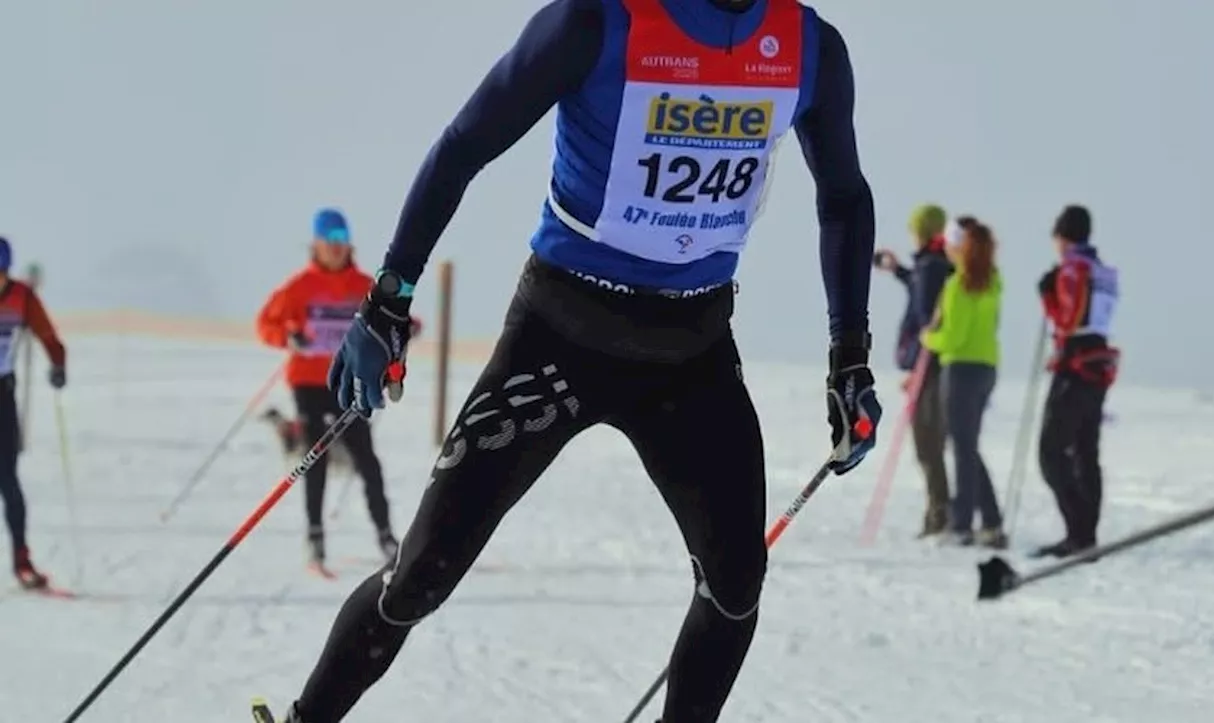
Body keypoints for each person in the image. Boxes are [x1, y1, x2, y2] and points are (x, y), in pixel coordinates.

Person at [261, 1, 882, 721]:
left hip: (691, 352)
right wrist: (388, 298)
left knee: (737, 582)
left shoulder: (809, 48)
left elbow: (844, 195)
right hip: (559, 338)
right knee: (419, 578)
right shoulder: (596, 21)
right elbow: (465, 143)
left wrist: (851, 359)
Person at [255, 209, 417, 576]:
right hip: (309, 382)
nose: (336, 250)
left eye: (342, 243)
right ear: (316, 245)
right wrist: (289, 337)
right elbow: (266, 324)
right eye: (329, 243)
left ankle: (386, 536)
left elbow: (393, 315)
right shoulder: (299, 287)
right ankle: (315, 539)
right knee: (316, 458)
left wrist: (407, 327)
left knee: (367, 460)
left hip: (349, 381)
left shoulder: (364, 284)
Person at [1032, 204, 1119, 558]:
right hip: (1100, 364)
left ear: (1061, 237)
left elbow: (1066, 321)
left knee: (1051, 453)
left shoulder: (1072, 269)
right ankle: (1087, 534)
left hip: (1074, 364)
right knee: (1086, 451)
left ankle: (1078, 534)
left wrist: (1048, 294)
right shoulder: (1104, 271)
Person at [920, 218, 1005, 548]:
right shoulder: (994, 282)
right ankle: (991, 519)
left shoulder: (957, 286)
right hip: (986, 367)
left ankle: (963, 523)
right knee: (967, 445)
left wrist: (929, 337)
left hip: (960, 370)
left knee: (962, 446)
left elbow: (953, 338)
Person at [872, 203, 953, 536]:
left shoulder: (932, 267)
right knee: (930, 443)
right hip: (931, 363)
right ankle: (940, 512)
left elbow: (926, 316)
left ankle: (940, 515)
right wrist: (899, 270)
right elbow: (921, 289)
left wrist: (918, 367)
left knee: (927, 442)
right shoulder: (934, 265)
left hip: (929, 365)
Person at [0, 236, 67, 590]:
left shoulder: (21, 297)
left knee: (8, 481)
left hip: (2, 397)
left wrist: (58, 363)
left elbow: (46, 332)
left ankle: (22, 561)